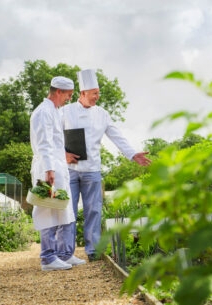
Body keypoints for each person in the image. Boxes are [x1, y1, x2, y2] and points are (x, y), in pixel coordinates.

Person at [62, 69, 151, 261]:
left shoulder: (102, 114)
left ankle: (93, 251)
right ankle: (66, 253)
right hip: (69, 169)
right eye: (94, 93)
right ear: (83, 93)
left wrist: (133, 154)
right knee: (68, 210)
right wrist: (64, 154)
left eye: (98, 92)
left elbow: (116, 136)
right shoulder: (65, 112)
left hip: (92, 170)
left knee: (93, 210)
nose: (97, 96)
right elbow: (52, 137)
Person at [30, 76, 86, 271]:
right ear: (59, 92)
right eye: (69, 95)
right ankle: (47, 258)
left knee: (63, 208)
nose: (69, 99)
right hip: (48, 168)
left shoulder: (54, 111)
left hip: (57, 166)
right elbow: (44, 143)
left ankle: (63, 254)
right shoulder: (43, 112)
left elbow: (54, 143)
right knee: (47, 209)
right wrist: (49, 170)